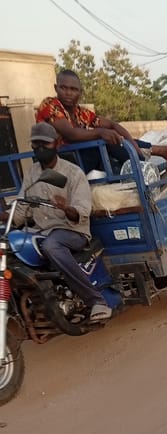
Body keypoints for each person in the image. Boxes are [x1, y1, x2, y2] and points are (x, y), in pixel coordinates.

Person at [6, 122, 112, 322]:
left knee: (52, 246)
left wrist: (66, 208)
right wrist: (6, 217)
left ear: (56, 144)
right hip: (41, 231)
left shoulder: (73, 173)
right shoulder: (32, 174)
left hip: (72, 231)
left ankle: (96, 301)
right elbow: (20, 210)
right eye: (35, 145)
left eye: (44, 144)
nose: (39, 149)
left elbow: (82, 212)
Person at [36, 69, 167, 175]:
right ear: (56, 88)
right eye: (63, 88)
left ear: (80, 92)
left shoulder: (81, 113)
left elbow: (113, 125)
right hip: (59, 162)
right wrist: (101, 133)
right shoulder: (50, 105)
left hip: (78, 158)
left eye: (73, 89)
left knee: (114, 138)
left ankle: (153, 158)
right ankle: (143, 169)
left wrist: (134, 147)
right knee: (105, 141)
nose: (68, 93)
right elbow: (71, 134)